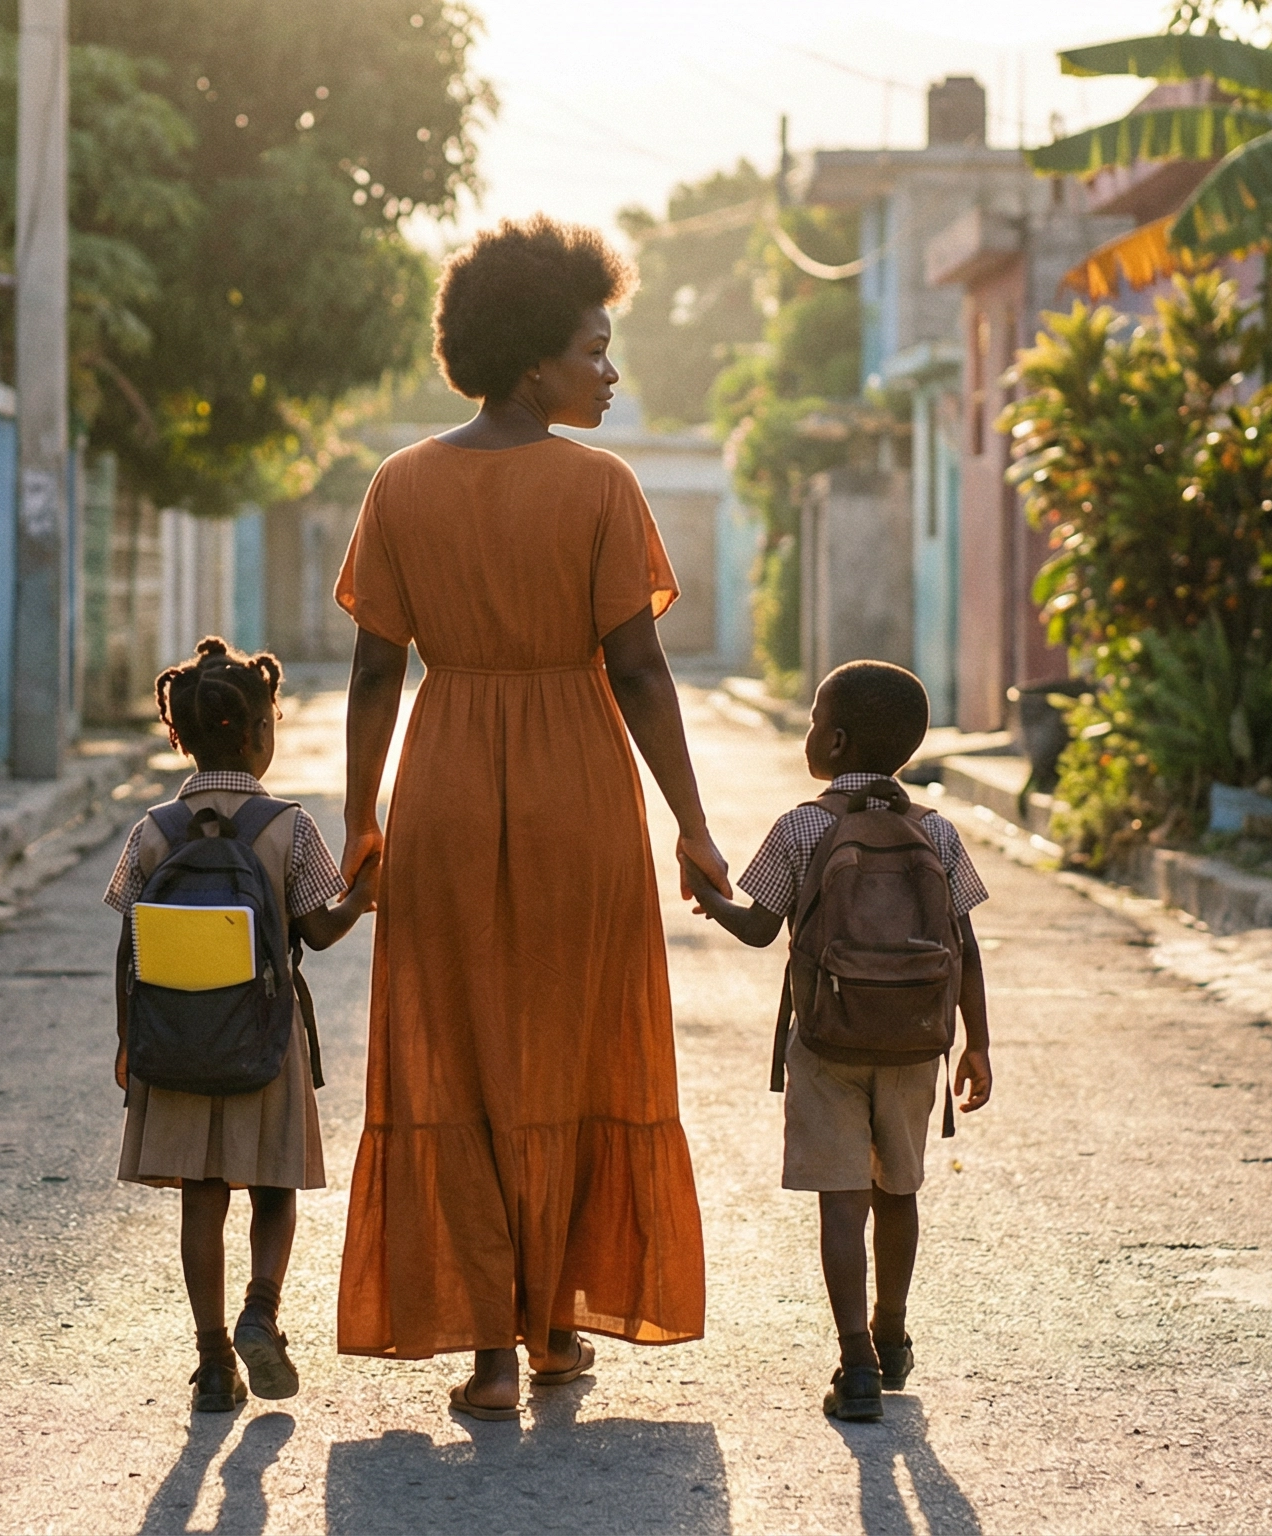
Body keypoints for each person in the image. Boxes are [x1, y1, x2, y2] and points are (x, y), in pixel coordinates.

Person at [334, 215, 722, 1420]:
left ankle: (488, 1355)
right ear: (530, 363)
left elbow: (370, 677)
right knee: (572, 1045)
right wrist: (695, 827)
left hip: (444, 783)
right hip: (580, 797)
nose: (610, 374)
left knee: (458, 1050)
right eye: (595, 350)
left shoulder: (400, 483)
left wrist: (359, 825)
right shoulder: (600, 486)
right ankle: (555, 1325)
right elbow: (642, 674)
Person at [681, 660, 994, 1423]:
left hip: (827, 1045)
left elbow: (760, 928)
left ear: (838, 738)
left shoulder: (802, 826)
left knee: (842, 1204)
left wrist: (709, 893)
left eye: (818, 718)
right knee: (900, 1193)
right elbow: (966, 943)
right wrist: (977, 1045)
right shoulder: (937, 831)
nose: (811, 729)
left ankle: (854, 1362)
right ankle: (893, 1333)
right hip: (919, 1045)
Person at [104, 638, 379, 1414]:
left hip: (174, 1041)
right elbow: (318, 933)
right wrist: (362, 897)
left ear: (179, 736)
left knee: (202, 1192)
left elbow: (128, 941)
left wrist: (131, 1042)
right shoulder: (284, 826)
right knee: (273, 1184)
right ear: (261, 734)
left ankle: (213, 1359)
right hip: (265, 1037)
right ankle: (262, 1309)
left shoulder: (153, 829)